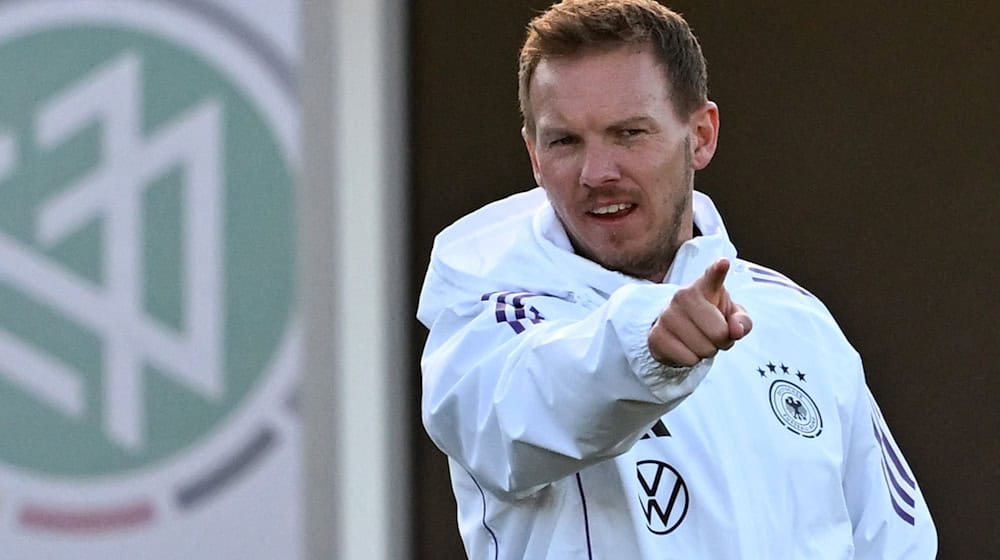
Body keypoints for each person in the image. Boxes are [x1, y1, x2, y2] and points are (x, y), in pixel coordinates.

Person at [417, 0, 937, 557]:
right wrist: (645, 347)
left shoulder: (797, 322)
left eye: (629, 133)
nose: (597, 173)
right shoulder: (488, 314)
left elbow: (894, 542)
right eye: (565, 141)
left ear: (701, 135)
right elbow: (520, 419)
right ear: (534, 156)